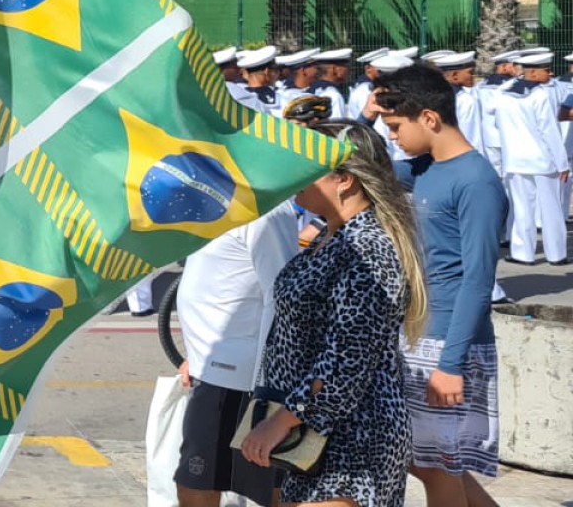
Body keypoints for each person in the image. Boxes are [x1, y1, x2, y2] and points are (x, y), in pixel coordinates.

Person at [242, 120, 428, 507]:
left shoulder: (367, 248)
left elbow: (347, 359)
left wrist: (281, 421)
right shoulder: (333, 236)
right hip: (314, 433)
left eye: (307, 168)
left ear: (344, 180)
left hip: (353, 439)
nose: (294, 176)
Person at [371, 65, 507, 507]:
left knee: (434, 466)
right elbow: (365, 169)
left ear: (429, 118)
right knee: (430, 462)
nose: (391, 135)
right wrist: (366, 115)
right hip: (420, 331)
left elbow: (478, 281)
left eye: (396, 126)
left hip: (448, 342)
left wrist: (451, 363)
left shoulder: (476, 181)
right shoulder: (425, 167)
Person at [174, 196, 299, 507]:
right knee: (197, 481)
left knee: (257, 486)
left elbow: (281, 297)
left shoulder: (266, 209)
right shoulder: (219, 196)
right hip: (212, 370)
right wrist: (196, 356)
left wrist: (266, 385)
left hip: (238, 378)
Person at [486, 52, 570, 266]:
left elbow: (490, 111)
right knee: (551, 209)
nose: (550, 74)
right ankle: (556, 254)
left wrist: (514, 81)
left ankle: (523, 253)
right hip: (542, 161)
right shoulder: (540, 95)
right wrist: (562, 163)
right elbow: (549, 131)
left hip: (515, 161)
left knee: (522, 209)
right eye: (545, 70)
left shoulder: (503, 94)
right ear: (532, 72)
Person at [229, 47, 281, 115]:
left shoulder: (236, 96)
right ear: (267, 71)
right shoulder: (284, 100)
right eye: (275, 70)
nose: (278, 74)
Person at [312, 48, 353, 119]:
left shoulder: (313, 89)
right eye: (346, 66)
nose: (349, 70)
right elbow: (336, 124)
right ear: (334, 69)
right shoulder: (334, 96)